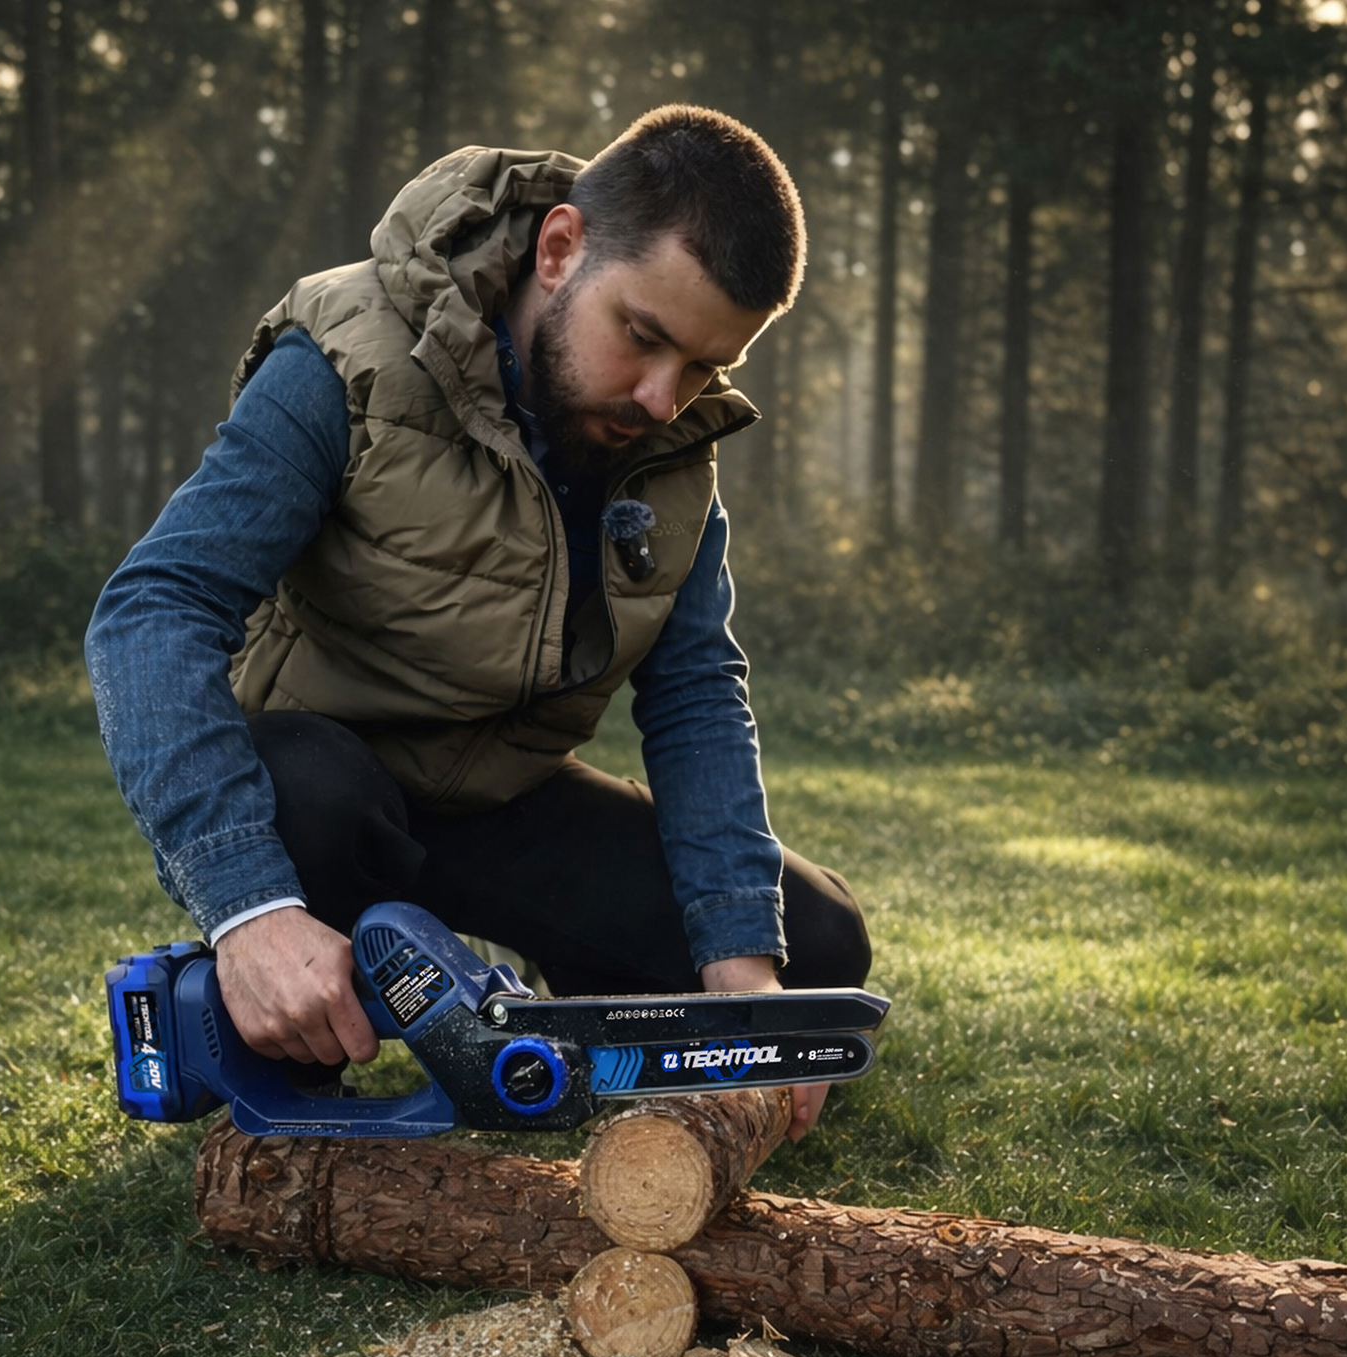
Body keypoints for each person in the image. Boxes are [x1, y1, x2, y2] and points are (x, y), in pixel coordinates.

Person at [86, 105, 870, 1139]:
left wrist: (738, 966)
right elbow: (153, 607)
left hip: (505, 799)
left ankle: (535, 1004)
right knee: (300, 792)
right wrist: (249, 908)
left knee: (814, 944)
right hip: (329, 795)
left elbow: (692, 693)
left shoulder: (671, 440)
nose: (658, 397)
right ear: (559, 249)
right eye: (643, 337)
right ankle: (285, 973)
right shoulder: (345, 357)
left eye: (701, 369)